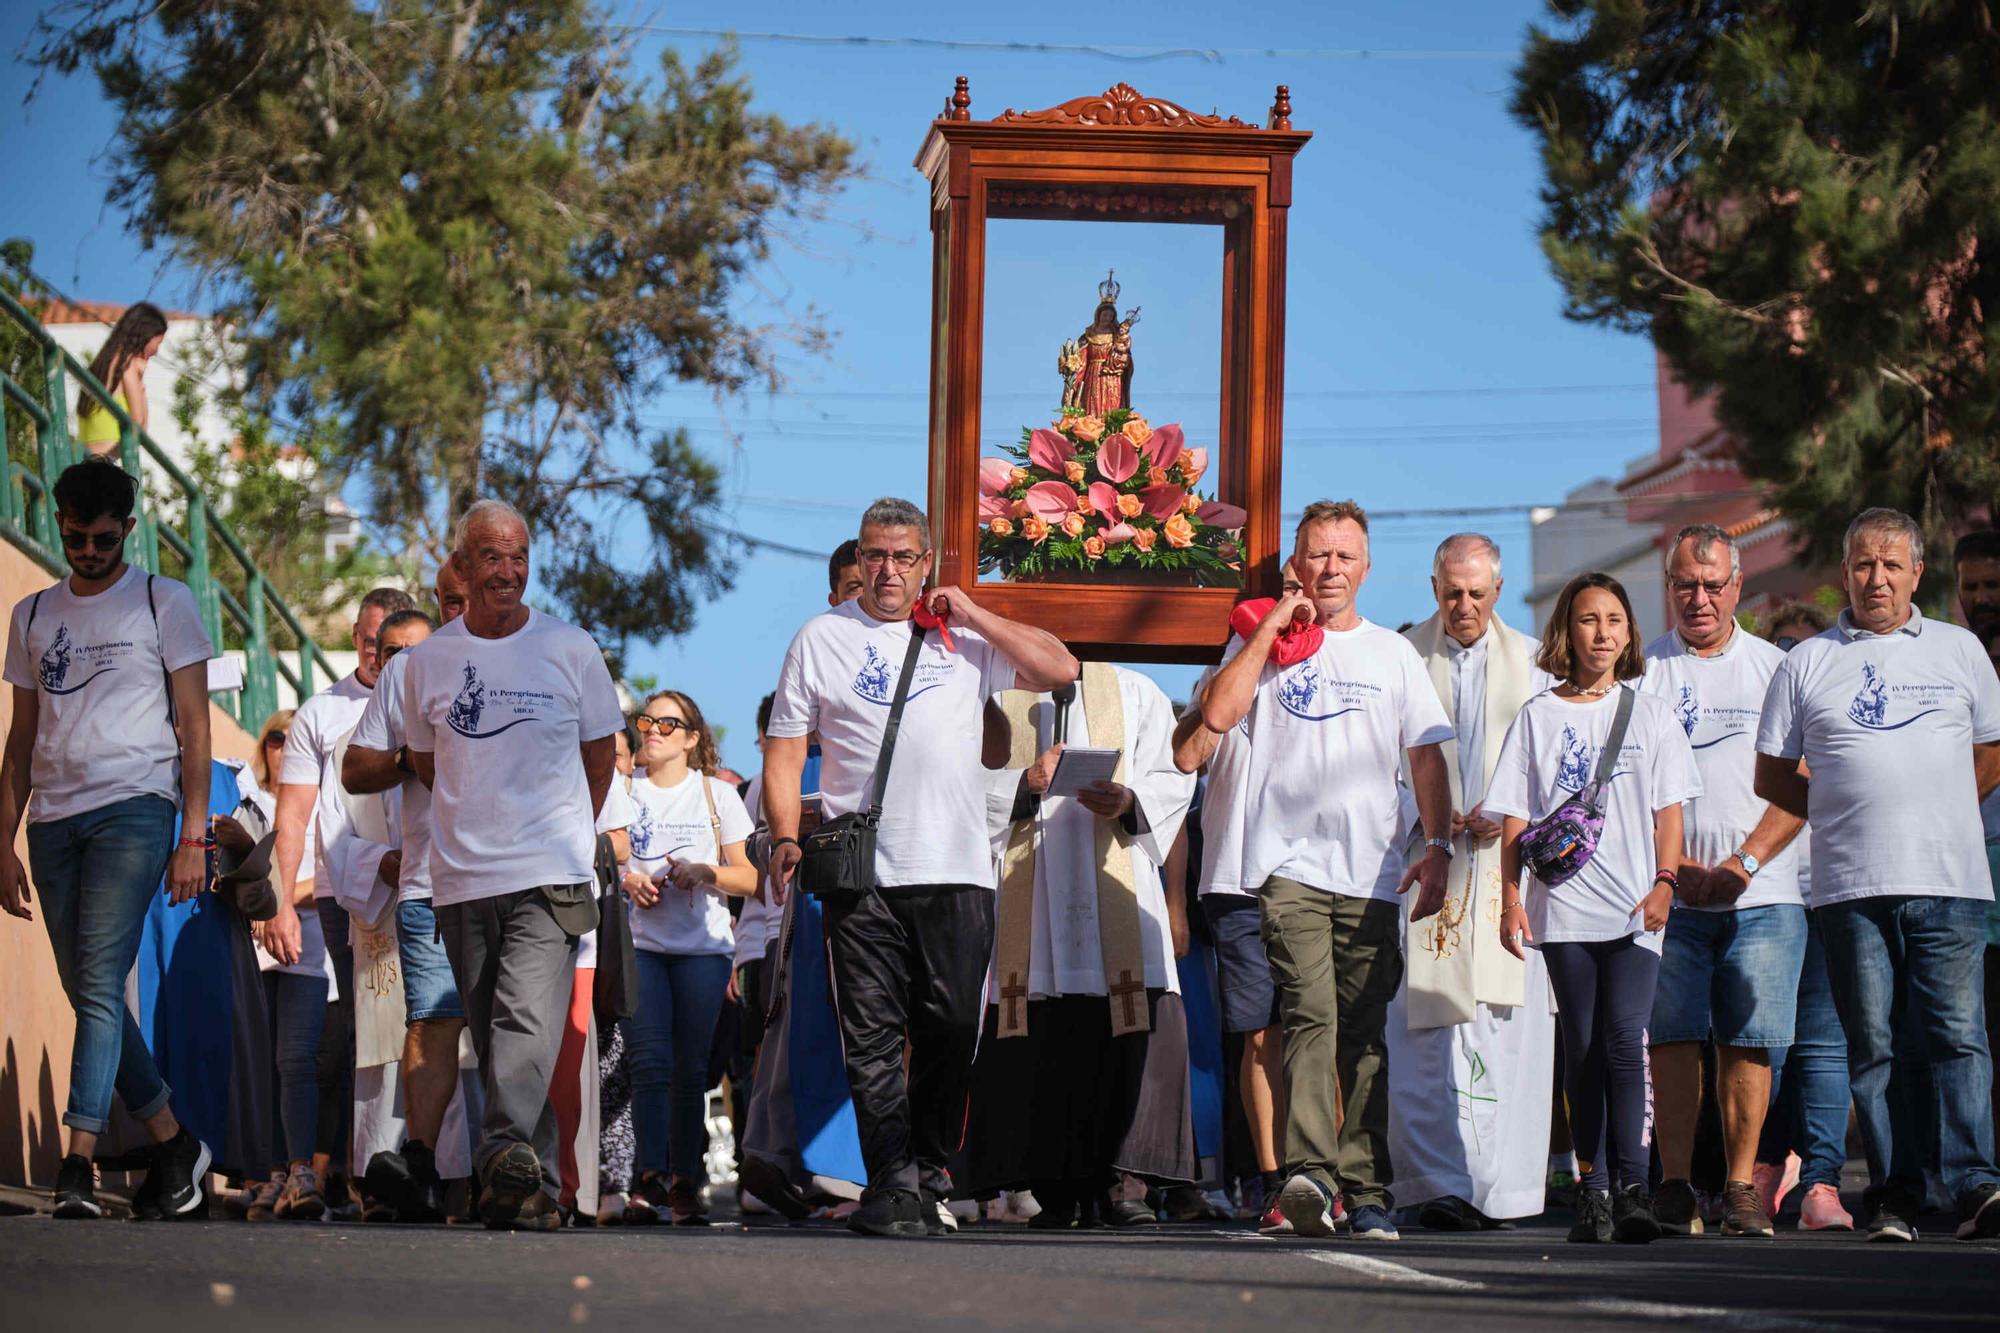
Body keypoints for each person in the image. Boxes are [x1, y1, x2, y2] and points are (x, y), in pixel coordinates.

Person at [764, 496, 1077, 1238]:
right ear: (858, 561)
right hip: (861, 872)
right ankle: (893, 1181)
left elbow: (1060, 667)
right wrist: (783, 836)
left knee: (949, 1025)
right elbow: (784, 748)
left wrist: (971, 612)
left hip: (957, 866)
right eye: (875, 554)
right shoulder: (821, 638)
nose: (888, 570)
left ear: (927, 561)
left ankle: (931, 1168)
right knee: (870, 1034)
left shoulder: (962, 638)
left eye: (905, 556)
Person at [1189, 499, 1456, 1242]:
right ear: (1295, 564)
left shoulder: (1392, 655)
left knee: (1364, 1033)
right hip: (1288, 868)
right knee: (1308, 1013)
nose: (1330, 568)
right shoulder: (1264, 644)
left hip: (1370, 872)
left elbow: (1427, 754)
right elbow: (1215, 718)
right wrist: (1273, 625)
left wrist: (1436, 849)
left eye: (1344, 556)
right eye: (1317, 554)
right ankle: (1309, 1175)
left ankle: (1367, 1190)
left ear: (1366, 569)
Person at [1755, 508, 2000, 1243]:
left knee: (1957, 1035)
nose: (1878, 577)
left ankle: (1976, 1184)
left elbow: (1992, 749)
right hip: (1849, 886)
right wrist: (1836, 804)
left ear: (1918, 575)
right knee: (1876, 1045)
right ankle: (1894, 1194)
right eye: (1864, 564)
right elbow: (1771, 771)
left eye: (1893, 564)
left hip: (1949, 882)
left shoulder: (1959, 652)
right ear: (1845, 575)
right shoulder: (1808, 661)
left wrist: (1946, 804)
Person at [0, 458, 215, 1218]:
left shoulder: (165, 600)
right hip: (53, 820)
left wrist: (195, 835)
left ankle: (76, 1165)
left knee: (95, 985)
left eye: (101, 538)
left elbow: (194, 727)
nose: (87, 551)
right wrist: (3, 838)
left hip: (136, 807)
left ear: (127, 529)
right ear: (57, 519)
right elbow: (21, 742)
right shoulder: (30, 616)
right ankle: (173, 1139)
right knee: (87, 989)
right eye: (73, 536)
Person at [401, 498, 623, 1231]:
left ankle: (500, 1151)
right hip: (463, 880)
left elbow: (599, 760)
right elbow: (428, 758)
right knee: (500, 1036)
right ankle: (529, 1192)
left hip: (550, 873)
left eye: (518, 556)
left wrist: (562, 830)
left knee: (528, 1017)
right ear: (462, 566)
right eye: (491, 557)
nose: (507, 570)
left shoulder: (571, 647)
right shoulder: (430, 660)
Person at [1485, 571, 1701, 1245]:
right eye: (1587, 619)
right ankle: (1593, 1187)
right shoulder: (1537, 716)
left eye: (1614, 619)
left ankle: (1634, 1186)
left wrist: (1666, 881)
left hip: (1637, 910)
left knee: (1624, 1041)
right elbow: (1514, 821)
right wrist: (1510, 899)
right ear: (1566, 632)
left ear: (1629, 632)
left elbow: (1671, 812)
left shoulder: (1652, 713)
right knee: (1581, 1045)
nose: (1602, 632)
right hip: (1562, 908)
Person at [964, 664, 1197, 1227]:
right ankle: (1055, 1189)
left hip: (1118, 878)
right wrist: (1024, 784)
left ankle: (1122, 1185)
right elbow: (964, 785)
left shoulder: (1134, 690)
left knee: (1124, 1024)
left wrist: (1128, 799)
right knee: (1042, 1037)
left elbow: (1174, 777)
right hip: (1032, 892)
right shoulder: (997, 694)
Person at [1638, 525, 1809, 1239]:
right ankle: (1676, 1187)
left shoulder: (1778, 669)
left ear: (1738, 586)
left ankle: (1740, 1188)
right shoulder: (1640, 670)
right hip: (1669, 895)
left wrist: (1745, 862)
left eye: (1712, 584)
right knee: (1672, 1039)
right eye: (1685, 584)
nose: (1699, 597)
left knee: (1749, 1039)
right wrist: (1665, 874)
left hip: (1761, 893)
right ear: (1668, 587)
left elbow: (1801, 784)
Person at [1388, 534, 1557, 1230]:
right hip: (1427, 862)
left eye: (1477, 593)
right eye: (1452, 592)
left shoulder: (1539, 665)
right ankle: (1434, 1182)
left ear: (1498, 588)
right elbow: (1382, 756)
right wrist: (1426, 812)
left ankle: (1499, 1188)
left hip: (1506, 870)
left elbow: (1557, 766)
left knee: (1504, 1031)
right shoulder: (1402, 655)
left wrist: (1514, 814)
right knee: (1427, 1034)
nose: (1464, 605)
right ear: (1433, 586)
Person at [269, 582, 417, 1215]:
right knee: (359, 1032)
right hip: (344, 893)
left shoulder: (428, 702)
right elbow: (295, 818)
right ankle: (359, 1177)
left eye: (387, 645)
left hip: (426, 883)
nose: (374, 654)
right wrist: (279, 902)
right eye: (365, 641)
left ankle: (409, 1166)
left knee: (422, 1030)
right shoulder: (321, 713)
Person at [1172, 563, 1303, 1235]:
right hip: (1232, 880)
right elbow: (1190, 750)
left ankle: (1321, 1172)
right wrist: (1259, 635)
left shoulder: (1322, 666)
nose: (1290, 602)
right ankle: (1275, 1177)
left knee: (1317, 1032)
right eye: (1276, 594)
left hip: (1308, 877)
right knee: (1258, 1035)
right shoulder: (1220, 673)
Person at [342, 568, 471, 1223]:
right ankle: (420, 1165)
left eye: (465, 600)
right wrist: (408, 758)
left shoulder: (540, 657)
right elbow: (353, 767)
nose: (458, 609)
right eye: (449, 597)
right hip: (429, 885)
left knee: (514, 1029)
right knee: (434, 1022)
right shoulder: (407, 673)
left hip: (520, 882)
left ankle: (508, 1171)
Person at [615, 690, 755, 1225]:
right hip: (642, 947)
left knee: (691, 1070)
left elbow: (749, 877)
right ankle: (649, 1180)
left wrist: (706, 872)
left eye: (667, 724)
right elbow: (598, 853)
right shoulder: (623, 791)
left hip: (703, 951)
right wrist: (629, 880)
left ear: (693, 738)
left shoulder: (717, 797)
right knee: (649, 1062)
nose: (652, 731)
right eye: (647, 721)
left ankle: (685, 1183)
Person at [1748, 600, 1854, 1232]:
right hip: (1775, 895)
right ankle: (1764, 1167)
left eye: (1804, 648)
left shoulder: (1835, 712)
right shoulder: (1773, 712)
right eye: (1783, 646)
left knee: (1825, 1044)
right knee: (1771, 1046)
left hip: (1834, 891)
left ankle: (1821, 1181)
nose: (1793, 657)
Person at [1958, 533, 2000, 1164]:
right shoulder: (1955, 657)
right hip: (1970, 862)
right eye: (1971, 587)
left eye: (1994, 585)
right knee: (1981, 1026)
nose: (1983, 598)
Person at [75, 302, 167, 457]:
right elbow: (139, 429)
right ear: (146, 336)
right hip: (106, 462)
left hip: (84, 459)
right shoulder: (126, 365)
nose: (157, 351)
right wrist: (139, 383)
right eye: (158, 343)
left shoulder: (101, 364)